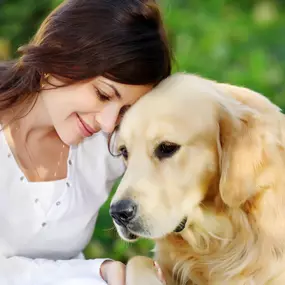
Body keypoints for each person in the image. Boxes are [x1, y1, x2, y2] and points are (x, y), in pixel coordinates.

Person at [0, 0, 172, 284]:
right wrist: (95, 271)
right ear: (59, 54)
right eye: (103, 94)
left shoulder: (107, 142)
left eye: (125, 110)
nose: (107, 123)